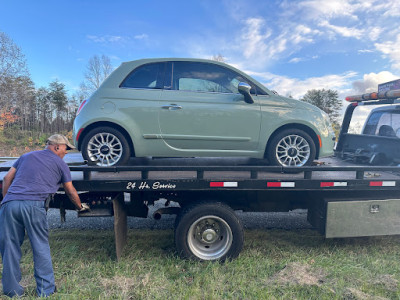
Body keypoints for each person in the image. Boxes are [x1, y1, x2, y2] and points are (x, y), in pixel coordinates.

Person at [0, 134, 90, 297]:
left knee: (9, 247)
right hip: (34, 205)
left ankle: (12, 291)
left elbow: (7, 179)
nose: (66, 152)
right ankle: (45, 291)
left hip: (10, 204)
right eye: (65, 148)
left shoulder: (25, 156)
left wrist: (7, 200)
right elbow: (70, 190)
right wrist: (79, 206)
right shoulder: (60, 164)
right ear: (56, 147)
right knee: (40, 246)